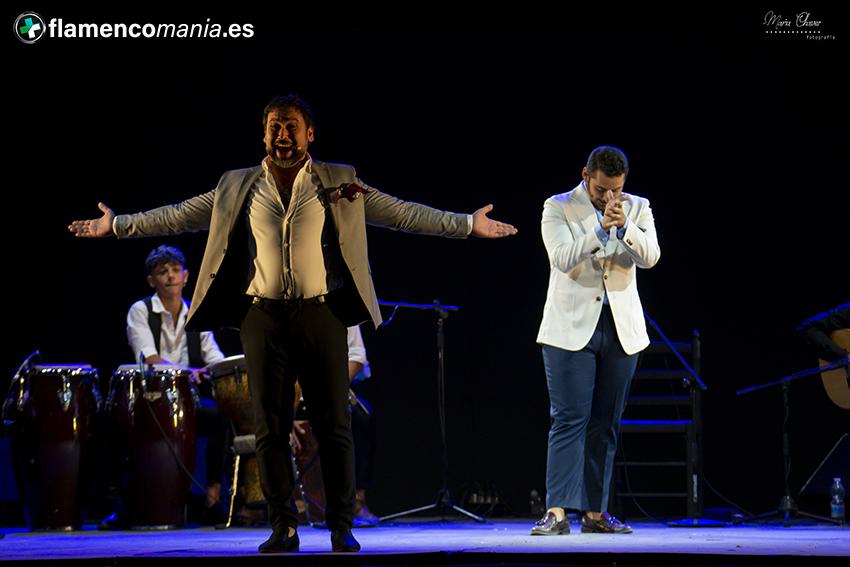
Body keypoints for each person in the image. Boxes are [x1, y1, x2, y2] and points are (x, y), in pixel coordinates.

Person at [69, 94, 517, 553]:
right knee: (270, 426)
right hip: (263, 316)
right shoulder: (236, 185)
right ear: (264, 135)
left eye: (292, 127)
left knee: (334, 423)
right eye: (275, 127)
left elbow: (401, 213)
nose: (283, 135)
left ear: (310, 134)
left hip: (321, 313)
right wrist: (119, 225)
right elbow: (179, 215)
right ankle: (283, 525)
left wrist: (465, 224)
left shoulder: (339, 181)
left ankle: (342, 525)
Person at [534, 146, 660, 535]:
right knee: (569, 418)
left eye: (617, 190)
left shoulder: (638, 207)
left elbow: (651, 257)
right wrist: (600, 229)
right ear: (586, 175)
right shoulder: (557, 206)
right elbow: (561, 257)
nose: (610, 198)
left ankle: (594, 512)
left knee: (605, 423)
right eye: (603, 189)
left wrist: (624, 228)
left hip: (620, 327)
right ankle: (556, 511)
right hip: (570, 327)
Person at [101, 245, 230, 529]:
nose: (170, 277)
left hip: (187, 402)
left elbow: (215, 358)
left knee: (221, 417)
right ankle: (121, 505)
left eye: (174, 271)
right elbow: (149, 358)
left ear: (185, 276)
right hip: (150, 402)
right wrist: (191, 372)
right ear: (152, 281)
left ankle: (213, 498)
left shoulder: (196, 313)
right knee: (112, 423)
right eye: (162, 272)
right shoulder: (140, 311)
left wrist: (216, 369)